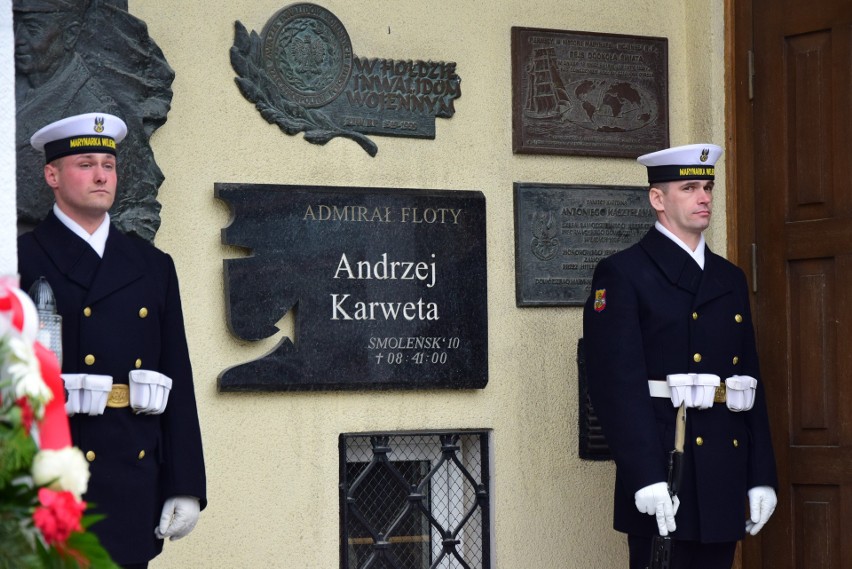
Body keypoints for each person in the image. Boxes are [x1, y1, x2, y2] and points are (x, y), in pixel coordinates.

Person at [17, 112, 206, 569]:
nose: (102, 174)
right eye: (85, 163)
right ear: (52, 175)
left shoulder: (152, 265)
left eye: (109, 163)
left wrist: (185, 485)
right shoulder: (18, 261)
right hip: (49, 481)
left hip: (134, 477)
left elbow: (176, 376)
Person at [583, 143, 778, 569]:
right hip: (667, 474)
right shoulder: (624, 273)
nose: (704, 196)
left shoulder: (730, 277)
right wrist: (644, 474)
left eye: (707, 186)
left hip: (724, 473)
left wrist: (761, 475)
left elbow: (749, 382)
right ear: (658, 199)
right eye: (689, 187)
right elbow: (614, 385)